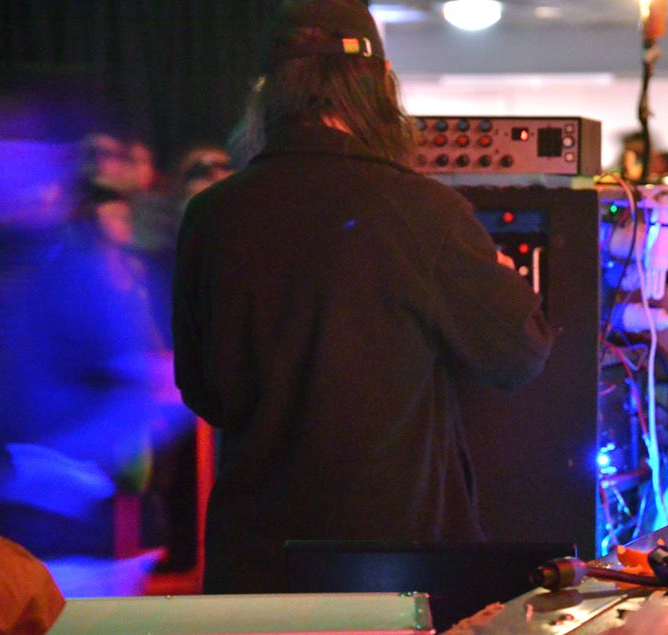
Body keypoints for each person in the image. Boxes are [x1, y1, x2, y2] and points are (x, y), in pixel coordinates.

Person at [173, 0, 553, 594]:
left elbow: (203, 391)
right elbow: (518, 355)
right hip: (393, 571)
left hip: (254, 564)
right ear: (379, 83)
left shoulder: (210, 215)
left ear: (268, 91)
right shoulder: (423, 210)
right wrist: (502, 276)